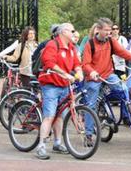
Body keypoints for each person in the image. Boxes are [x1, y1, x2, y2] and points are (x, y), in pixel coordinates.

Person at [35, 23, 83, 160]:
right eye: (72, 31)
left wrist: (79, 72)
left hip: (64, 85)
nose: (74, 33)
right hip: (51, 84)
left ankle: (57, 143)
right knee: (49, 116)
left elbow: (76, 64)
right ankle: (41, 146)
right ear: (63, 32)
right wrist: (65, 74)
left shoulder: (71, 48)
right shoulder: (52, 45)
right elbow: (48, 62)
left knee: (60, 115)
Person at [82, 17, 131, 131]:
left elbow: (122, 52)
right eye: (106, 30)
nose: (109, 32)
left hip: (108, 74)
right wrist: (92, 72)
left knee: (123, 89)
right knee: (91, 105)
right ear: (98, 29)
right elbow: (85, 64)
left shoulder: (111, 41)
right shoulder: (90, 44)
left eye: (110, 30)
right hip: (94, 78)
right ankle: (88, 133)